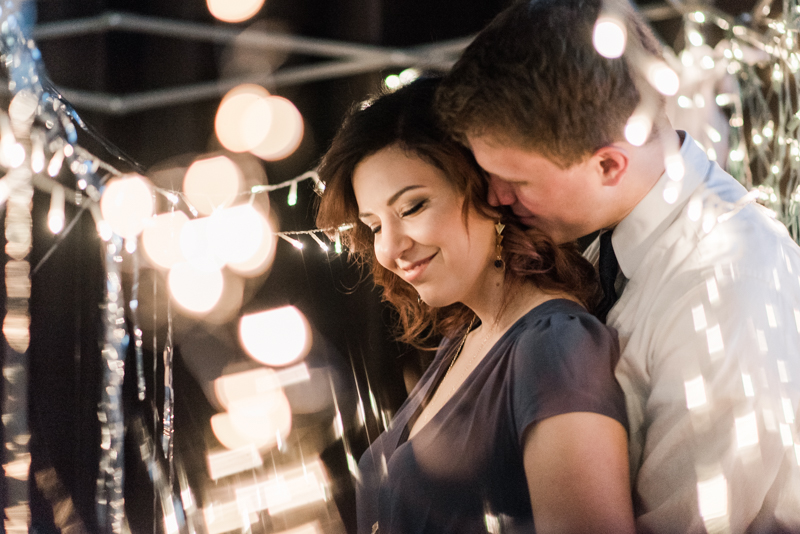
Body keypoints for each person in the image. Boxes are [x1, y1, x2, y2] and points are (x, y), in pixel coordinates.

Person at [436, 0, 800, 532]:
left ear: (609, 164)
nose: (494, 196)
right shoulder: (601, 243)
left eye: (516, 181)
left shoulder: (725, 284)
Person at [316, 77, 635, 533]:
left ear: (489, 189)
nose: (391, 248)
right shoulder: (468, 335)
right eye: (373, 226)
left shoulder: (555, 346)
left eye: (411, 208)